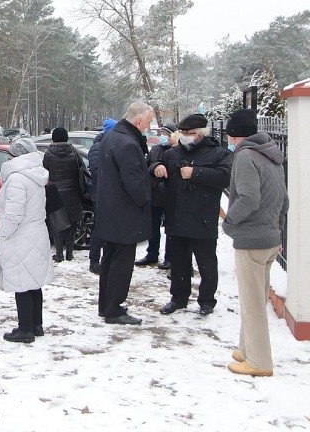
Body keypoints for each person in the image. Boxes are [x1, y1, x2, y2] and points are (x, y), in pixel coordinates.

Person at [222, 108, 288, 377]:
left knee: (252, 304)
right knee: (256, 298)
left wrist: (229, 222)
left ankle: (259, 362)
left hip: (251, 238)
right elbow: (284, 200)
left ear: (236, 136)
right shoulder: (271, 155)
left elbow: (248, 199)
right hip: (269, 237)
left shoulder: (245, 156)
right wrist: (278, 231)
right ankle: (246, 348)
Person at [152, 114, 232, 316]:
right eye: (184, 133)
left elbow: (225, 177)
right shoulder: (173, 153)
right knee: (178, 263)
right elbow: (154, 164)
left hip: (203, 217)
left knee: (206, 263)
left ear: (201, 134)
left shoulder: (217, 154)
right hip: (177, 216)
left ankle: (206, 300)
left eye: (190, 133)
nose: (186, 137)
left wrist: (195, 173)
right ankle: (178, 298)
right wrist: (156, 168)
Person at [93, 102, 153, 325]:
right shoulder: (127, 143)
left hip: (110, 210)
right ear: (138, 121)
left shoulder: (112, 136)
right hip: (124, 214)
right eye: (147, 123)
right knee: (121, 263)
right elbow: (134, 182)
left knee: (109, 259)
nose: (148, 127)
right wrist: (146, 200)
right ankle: (114, 309)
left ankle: (106, 305)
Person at [0, 138, 55, 343]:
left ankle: (25, 329)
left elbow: (13, 214)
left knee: (22, 283)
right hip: (36, 233)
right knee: (34, 283)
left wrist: (3, 232)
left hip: (20, 236)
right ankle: (36, 324)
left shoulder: (17, 179)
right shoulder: (35, 175)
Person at [136, 123, 179, 268]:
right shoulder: (155, 150)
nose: (162, 137)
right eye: (162, 133)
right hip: (154, 195)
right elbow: (147, 167)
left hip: (171, 197)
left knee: (171, 230)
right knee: (153, 228)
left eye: (166, 134)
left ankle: (170, 257)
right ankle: (152, 254)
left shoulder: (178, 151)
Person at [42, 127, 83, 262]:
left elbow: (44, 172)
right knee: (72, 222)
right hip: (73, 192)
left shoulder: (48, 154)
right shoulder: (74, 152)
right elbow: (81, 170)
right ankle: (69, 253)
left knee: (57, 223)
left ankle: (59, 253)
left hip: (55, 193)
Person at [87, 118, 116, 274]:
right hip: (100, 195)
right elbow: (97, 172)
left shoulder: (108, 145)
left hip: (109, 195)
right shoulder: (98, 148)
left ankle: (106, 259)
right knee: (99, 229)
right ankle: (94, 260)